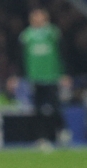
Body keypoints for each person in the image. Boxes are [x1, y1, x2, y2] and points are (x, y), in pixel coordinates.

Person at [19, 8, 65, 150]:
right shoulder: (26, 36)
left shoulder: (53, 33)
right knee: (37, 110)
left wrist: (63, 73)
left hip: (51, 77)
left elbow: (62, 53)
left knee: (55, 107)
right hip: (35, 78)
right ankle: (42, 138)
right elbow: (21, 58)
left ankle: (62, 132)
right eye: (35, 18)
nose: (37, 20)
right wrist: (20, 76)